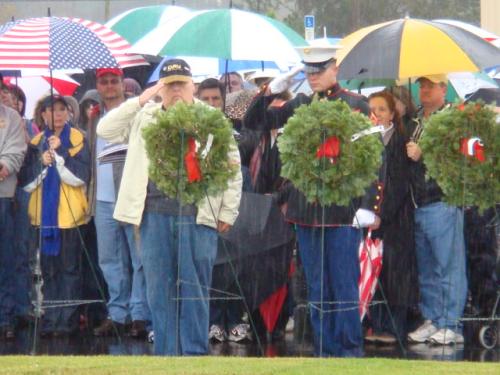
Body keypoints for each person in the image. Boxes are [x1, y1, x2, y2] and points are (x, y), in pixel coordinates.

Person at [97, 58, 242, 355]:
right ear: (160, 87)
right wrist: (140, 99)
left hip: (198, 214)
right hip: (153, 215)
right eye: (169, 85)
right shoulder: (145, 116)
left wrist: (227, 211)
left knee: (195, 288)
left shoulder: (210, 118)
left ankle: (194, 353)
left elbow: (232, 166)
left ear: (193, 87)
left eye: (181, 84)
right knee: (158, 289)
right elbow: (105, 129)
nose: (176, 91)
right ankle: (166, 354)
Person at [244, 46, 382, 357]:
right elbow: (254, 123)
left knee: (343, 284)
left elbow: (375, 159)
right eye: (309, 71)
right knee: (317, 286)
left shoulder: (355, 105)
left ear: (335, 68)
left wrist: (368, 205)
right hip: (306, 209)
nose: (313, 76)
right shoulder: (301, 104)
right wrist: (270, 91)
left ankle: (348, 349)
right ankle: (324, 349)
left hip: (343, 208)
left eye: (320, 70)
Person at [89, 68, 151, 338]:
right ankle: (118, 314)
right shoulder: (92, 117)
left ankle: (138, 314)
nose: (110, 86)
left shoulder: (135, 112)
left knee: (139, 258)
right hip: (102, 199)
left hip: (130, 195)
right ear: (98, 86)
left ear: (123, 84)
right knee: (110, 260)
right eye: (105, 82)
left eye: (115, 81)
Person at [406, 74, 467, 345]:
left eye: (431, 85)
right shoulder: (415, 119)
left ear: (444, 89)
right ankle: (433, 318)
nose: (425, 90)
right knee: (427, 268)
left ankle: (451, 323)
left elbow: (461, 155)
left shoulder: (454, 119)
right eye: (422, 85)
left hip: (442, 201)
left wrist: (426, 151)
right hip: (417, 202)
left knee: (449, 267)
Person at [23, 95, 90, 337]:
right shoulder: (36, 142)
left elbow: (81, 177)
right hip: (42, 217)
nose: (57, 115)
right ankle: (51, 318)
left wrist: (60, 159)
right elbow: (27, 184)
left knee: (70, 270)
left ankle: (67, 321)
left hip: (70, 217)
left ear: (69, 113)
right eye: (52, 110)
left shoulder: (77, 138)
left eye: (62, 110)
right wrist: (42, 164)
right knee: (49, 270)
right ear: (42, 115)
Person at [365, 91, 417, 344]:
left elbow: (398, 184)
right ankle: (375, 323)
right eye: (372, 110)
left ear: (392, 113)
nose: (376, 114)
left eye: (382, 109)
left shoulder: (400, 140)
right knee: (374, 269)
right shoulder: (366, 140)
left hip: (396, 218)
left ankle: (393, 327)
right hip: (372, 218)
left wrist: (382, 214)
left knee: (396, 272)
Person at [0, 76, 27, 340]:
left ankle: (5, 317)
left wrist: (4, 165)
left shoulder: (12, 118)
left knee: (5, 260)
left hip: (3, 196)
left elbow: (15, 152)